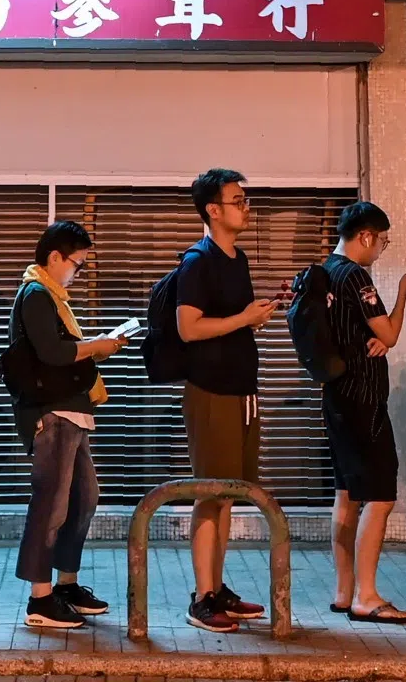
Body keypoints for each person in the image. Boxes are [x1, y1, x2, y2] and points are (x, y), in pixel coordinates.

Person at [10, 220, 127, 629]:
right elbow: (54, 353)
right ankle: (39, 599)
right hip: (52, 412)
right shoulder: (37, 294)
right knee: (51, 504)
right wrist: (97, 347)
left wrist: (96, 346)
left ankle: (65, 584)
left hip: (72, 413)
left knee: (84, 498)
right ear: (55, 257)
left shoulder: (53, 297)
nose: (78, 273)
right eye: (77, 264)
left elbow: (63, 350)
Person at [176, 169, 277, 633]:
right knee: (210, 494)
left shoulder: (237, 259)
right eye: (238, 200)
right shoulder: (198, 261)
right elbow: (188, 327)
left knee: (230, 495)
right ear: (213, 210)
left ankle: (218, 588)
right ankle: (201, 598)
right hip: (211, 392)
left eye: (246, 199)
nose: (246, 207)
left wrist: (254, 318)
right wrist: (241, 319)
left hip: (242, 391)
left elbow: (233, 320)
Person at [322, 201, 406, 624]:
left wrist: (373, 339)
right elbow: (391, 333)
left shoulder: (324, 271)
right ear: (365, 236)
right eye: (382, 241)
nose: (381, 248)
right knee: (379, 497)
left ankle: (344, 592)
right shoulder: (356, 275)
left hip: (338, 397)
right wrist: (402, 292)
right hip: (364, 401)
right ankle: (367, 596)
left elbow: (359, 333)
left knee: (347, 495)